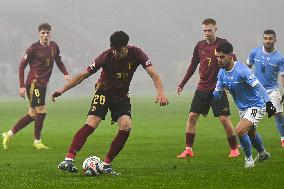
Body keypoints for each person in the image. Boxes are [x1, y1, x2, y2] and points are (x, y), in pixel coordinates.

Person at [51, 31, 169, 173]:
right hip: (103, 91)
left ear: (126, 47)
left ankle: (106, 165)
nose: (115, 53)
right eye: (113, 49)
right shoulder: (105, 56)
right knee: (91, 125)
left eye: (118, 50)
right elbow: (82, 75)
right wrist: (62, 89)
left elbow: (153, 74)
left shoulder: (137, 53)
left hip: (121, 96)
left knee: (126, 126)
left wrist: (160, 92)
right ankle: (68, 160)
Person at [177, 18, 239, 158]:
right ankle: (188, 149)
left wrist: (232, 82)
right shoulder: (199, 46)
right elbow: (193, 65)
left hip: (218, 88)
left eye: (209, 30)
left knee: (224, 119)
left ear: (215, 29)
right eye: (204, 30)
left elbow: (234, 63)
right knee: (192, 116)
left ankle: (234, 149)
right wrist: (182, 83)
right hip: (202, 88)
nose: (207, 33)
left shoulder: (224, 44)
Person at [2, 23, 70, 150]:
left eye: (47, 32)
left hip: (43, 84)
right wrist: (22, 86)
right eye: (43, 32)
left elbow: (58, 61)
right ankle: (37, 141)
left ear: (50, 33)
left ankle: (8, 134)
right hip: (34, 83)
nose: (45, 35)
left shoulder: (54, 46)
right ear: (39, 33)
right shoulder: (33, 48)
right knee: (42, 110)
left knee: (32, 114)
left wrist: (65, 73)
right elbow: (22, 66)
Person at [213, 42, 276, 168]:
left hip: (256, 106)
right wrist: (210, 96)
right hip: (242, 108)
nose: (219, 60)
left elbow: (258, 86)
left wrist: (269, 103)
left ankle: (249, 160)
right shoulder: (221, 73)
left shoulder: (242, 71)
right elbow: (217, 94)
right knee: (251, 134)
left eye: (222, 57)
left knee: (240, 130)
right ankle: (263, 153)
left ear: (231, 56)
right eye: (217, 57)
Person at [247, 29, 284, 148]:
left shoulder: (279, 58)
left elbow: (282, 76)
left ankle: (283, 138)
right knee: (250, 115)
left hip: (272, 90)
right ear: (263, 39)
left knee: (278, 114)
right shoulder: (254, 52)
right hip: (256, 90)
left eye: (270, 38)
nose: (267, 41)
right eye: (265, 38)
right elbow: (247, 67)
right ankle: (247, 139)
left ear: (275, 40)